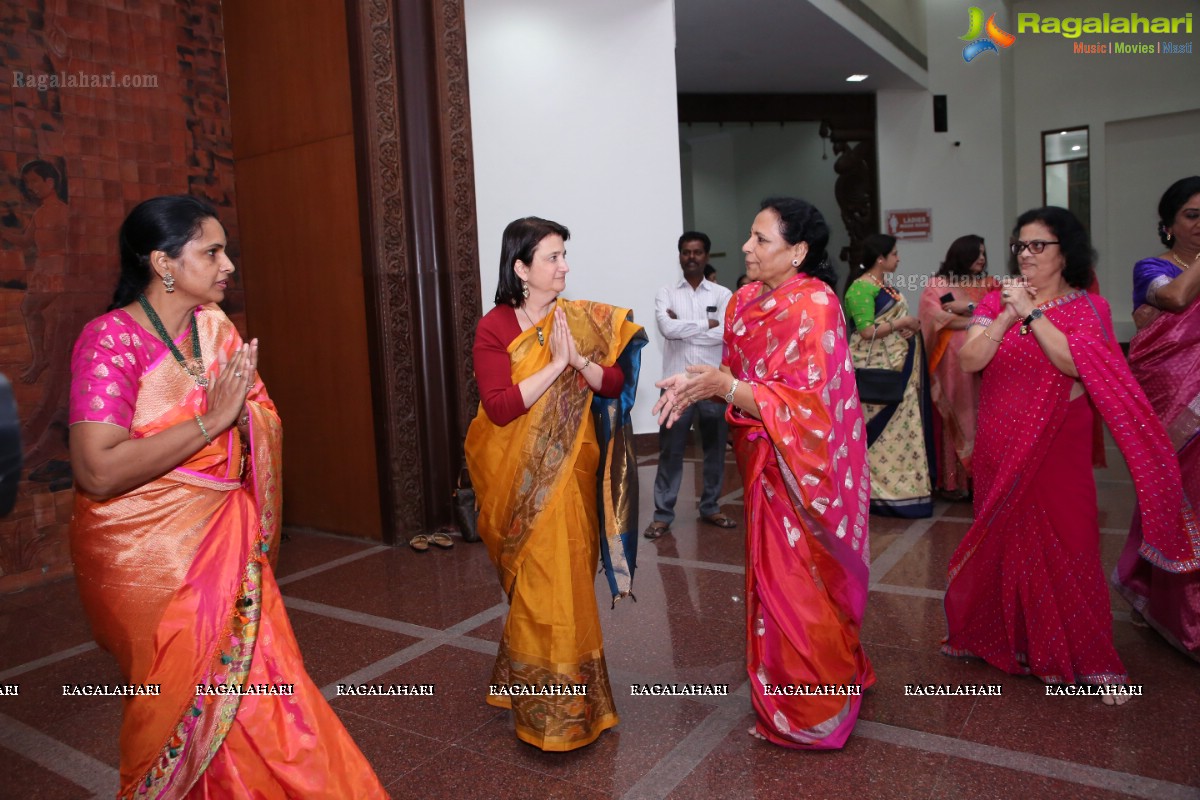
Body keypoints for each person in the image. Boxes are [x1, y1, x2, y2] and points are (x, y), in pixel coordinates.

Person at [68, 196, 388, 796]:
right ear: (164, 262)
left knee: (266, 693)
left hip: (227, 543)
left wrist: (242, 418)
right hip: (148, 558)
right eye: (212, 251)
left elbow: (257, 413)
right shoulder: (109, 341)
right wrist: (210, 423)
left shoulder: (212, 328)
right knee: (188, 700)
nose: (229, 265)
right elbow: (98, 472)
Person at [944, 206, 1198, 698]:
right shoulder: (997, 299)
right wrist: (1005, 314)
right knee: (1005, 537)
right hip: (1001, 440)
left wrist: (1033, 313)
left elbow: (1072, 361)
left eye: (1039, 245)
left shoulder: (1089, 308)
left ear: (1067, 253)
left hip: (1058, 442)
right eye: (1020, 245)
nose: (1026, 254)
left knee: (1070, 538)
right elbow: (971, 358)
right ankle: (1010, 638)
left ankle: (1085, 654)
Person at [654, 197, 874, 749]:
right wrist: (696, 384)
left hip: (805, 471)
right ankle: (784, 683)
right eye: (750, 236)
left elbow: (811, 406)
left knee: (801, 581)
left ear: (798, 251)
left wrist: (722, 388)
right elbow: (736, 373)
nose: (747, 248)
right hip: (761, 463)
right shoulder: (746, 300)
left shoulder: (817, 306)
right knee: (771, 580)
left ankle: (813, 709)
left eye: (761, 240)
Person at [465, 216, 646, 751]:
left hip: (571, 476)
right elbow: (498, 409)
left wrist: (580, 361)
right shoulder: (495, 327)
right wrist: (556, 365)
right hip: (517, 485)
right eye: (552, 257)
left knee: (563, 585)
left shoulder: (578, 317)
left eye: (564, 254)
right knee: (540, 588)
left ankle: (567, 705)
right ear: (521, 268)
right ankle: (549, 709)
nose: (564, 265)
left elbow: (614, 382)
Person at [1116, 176, 1200, 661]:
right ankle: (1177, 613)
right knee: (1180, 497)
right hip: (1179, 406)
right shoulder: (1152, 268)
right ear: (1168, 226)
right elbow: (1174, 302)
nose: (1199, 224)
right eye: (1191, 215)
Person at [644, 231, 736, 540]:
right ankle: (662, 515)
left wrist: (687, 327)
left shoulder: (722, 295)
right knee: (670, 451)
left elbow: (725, 334)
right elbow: (667, 330)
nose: (692, 257)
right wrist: (706, 324)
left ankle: (711, 506)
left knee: (714, 448)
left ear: (706, 256)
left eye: (697, 252)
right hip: (675, 386)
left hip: (711, 384)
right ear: (680, 256)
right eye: (686, 252)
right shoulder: (666, 293)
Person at [844, 233, 932, 517]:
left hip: (899, 368)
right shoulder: (860, 288)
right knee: (879, 436)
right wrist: (901, 322)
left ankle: (907, 492)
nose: (899, 258)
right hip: (878, 374)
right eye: (894, 253)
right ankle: (876, 495)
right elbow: (867, 332)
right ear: (880, 259)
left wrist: (909, 327)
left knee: (902, 433)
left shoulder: (887, 288)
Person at [918, 235, 997, 499]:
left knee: (983, 415)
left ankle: (982, 480)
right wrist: (980, 320)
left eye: (984, 253)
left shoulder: (990, 284)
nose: (982, 258)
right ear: (961, 254)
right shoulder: (939, 284)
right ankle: (954, 483)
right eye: (976, 253)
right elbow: (936, 318)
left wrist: (970, 308)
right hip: (950, 363)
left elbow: (1001, 312)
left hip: (986, 358)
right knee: (956, 414)